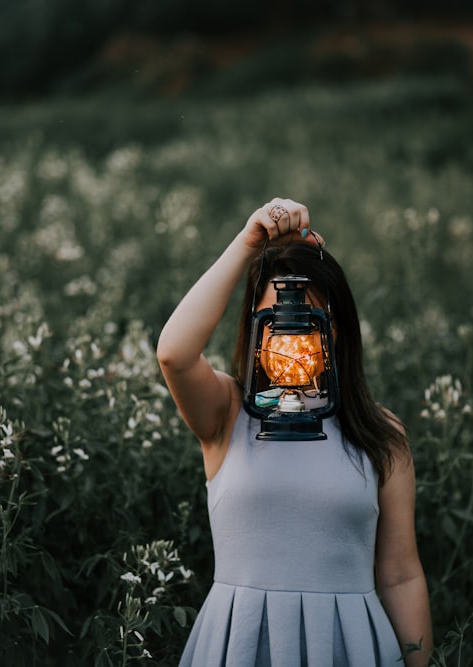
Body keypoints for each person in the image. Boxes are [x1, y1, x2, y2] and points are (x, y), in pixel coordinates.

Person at [157, 197, 432, 666]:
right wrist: (248, 244)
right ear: (254, 330)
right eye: (275, 327)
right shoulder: (227, 414)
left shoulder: (380, 434)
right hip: (239, 641)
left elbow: (401, 576)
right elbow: (174, 353)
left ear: (335, 332)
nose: (289, 342)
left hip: (348, 645)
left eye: (306, 326)